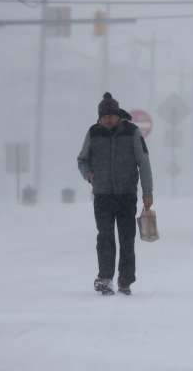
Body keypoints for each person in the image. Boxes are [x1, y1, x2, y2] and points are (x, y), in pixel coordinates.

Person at [77, 92, 154, 295]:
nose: (108, 120)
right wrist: (88, 175)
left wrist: (148, 192)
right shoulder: (94, 133)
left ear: (118, 115)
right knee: (105, 237)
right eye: (104, 117)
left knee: (126, 238)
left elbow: (144, 163)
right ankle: (105, 278)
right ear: (100, 117)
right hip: (102, 195)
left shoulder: (132, 132)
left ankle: (125, 280)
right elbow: (82, 159)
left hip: (126, 195)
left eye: (111, 116)